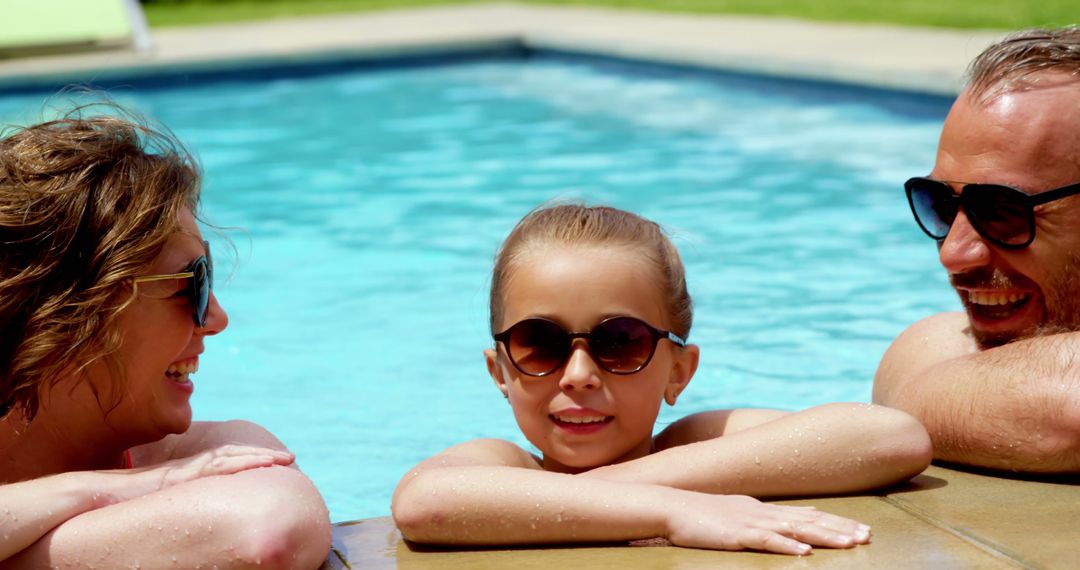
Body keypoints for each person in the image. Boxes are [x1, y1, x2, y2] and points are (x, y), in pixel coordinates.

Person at [393, 204, 932, 556]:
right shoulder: (502, 464)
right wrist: (675, 507)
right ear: (500, 372)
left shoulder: (692, 442)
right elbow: (425, 503)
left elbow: (891, 437)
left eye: (619, 341)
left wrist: (615, 486)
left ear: (679, 371)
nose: (578, 376)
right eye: (540, 343)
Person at [0, 106, 331, 567]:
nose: (217, 319)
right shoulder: (170, 477)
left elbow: (266, 531)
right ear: (62, 316)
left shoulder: (212, 454)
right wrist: (97, 489)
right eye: (192, 283)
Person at [873, 26, 1080, 474]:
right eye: (942, 204)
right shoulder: (936, 348)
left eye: (1003, 210)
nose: (954, 253)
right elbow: (914, 367)